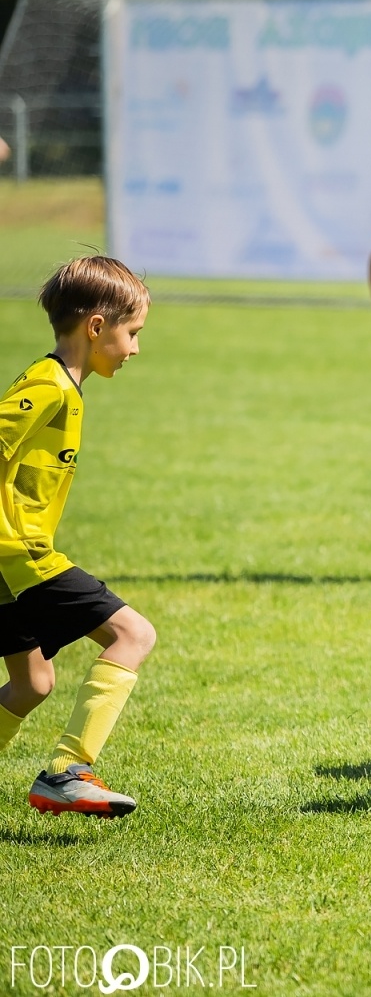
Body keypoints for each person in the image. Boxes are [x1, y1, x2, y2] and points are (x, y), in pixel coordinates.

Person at [1, 256, 157, 818]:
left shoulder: (64, 384)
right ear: (96, 326)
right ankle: (70, 770)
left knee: (31, 685)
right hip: (20, 559)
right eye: (131, 332)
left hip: (12, 562)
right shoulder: (49, 386)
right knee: (134, 634)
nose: (135, 348)